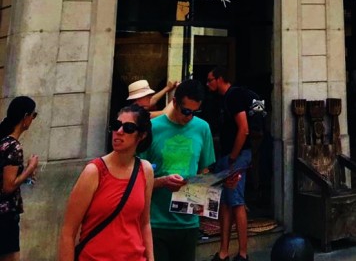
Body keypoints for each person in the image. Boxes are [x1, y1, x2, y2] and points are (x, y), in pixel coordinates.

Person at [58, 104, 154, 261]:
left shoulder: (145, 170)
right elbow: (68, 232)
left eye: (128, 128)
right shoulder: (94, 172)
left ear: (141, 135)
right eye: (116, 125)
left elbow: (144, 223)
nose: (119, 132)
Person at [144, 79, 216, 261]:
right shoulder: (153, 128)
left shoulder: (203, 128)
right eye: (186, 111)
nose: (189, 117)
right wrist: (162, 182)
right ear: (174, 103)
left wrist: (221, 183)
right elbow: (137, 176)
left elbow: (204, 171)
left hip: (189, 223)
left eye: (194, 112)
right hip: (156, 221)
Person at [205, 68, 258, 261]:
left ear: (220, 79)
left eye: (210, 80)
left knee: (236, 202)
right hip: (229, 156)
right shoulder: (225, 98)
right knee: (226, 203)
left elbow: (243, 128)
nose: (207, 84)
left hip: (235, 156)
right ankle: (224, 251)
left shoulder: (233, 96)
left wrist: (233, 158)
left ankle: (242, 254)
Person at [0, 96, 38, 261]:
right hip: (5, 215)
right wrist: (30, 168)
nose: (33, 119)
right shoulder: (13, 146)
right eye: (33, 115)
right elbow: (8, 186)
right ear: (25, 117)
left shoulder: (2, 141)